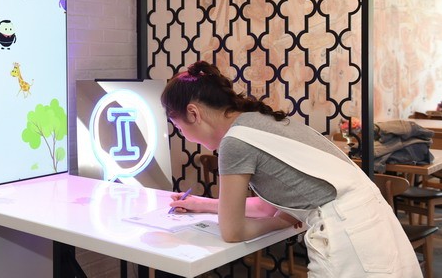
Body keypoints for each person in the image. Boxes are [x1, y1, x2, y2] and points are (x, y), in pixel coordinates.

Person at [161, 60, 422, 278]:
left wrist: (278, 223)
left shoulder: (234, 142)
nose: (186, 137)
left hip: (349, 243)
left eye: (180, 128)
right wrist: (202, 204)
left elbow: (232, 232)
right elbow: (266, 207)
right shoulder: (260, 121)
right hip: (378, 227)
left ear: (193, 113)